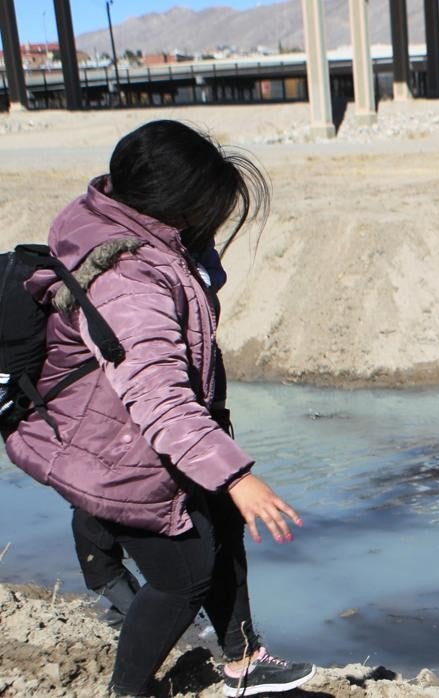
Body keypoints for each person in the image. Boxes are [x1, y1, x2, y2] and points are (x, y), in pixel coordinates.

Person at [4, 120, 313, 697]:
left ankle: (242, 661)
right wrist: (239, 476)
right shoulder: (129, 280)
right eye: (205, 208)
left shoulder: (123, 222)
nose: (212, 222)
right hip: (117, 449)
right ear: (174, 205)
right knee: (185, 575)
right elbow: (158, 395)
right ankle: (130, 689)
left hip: (119, 429)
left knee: (221, 521)